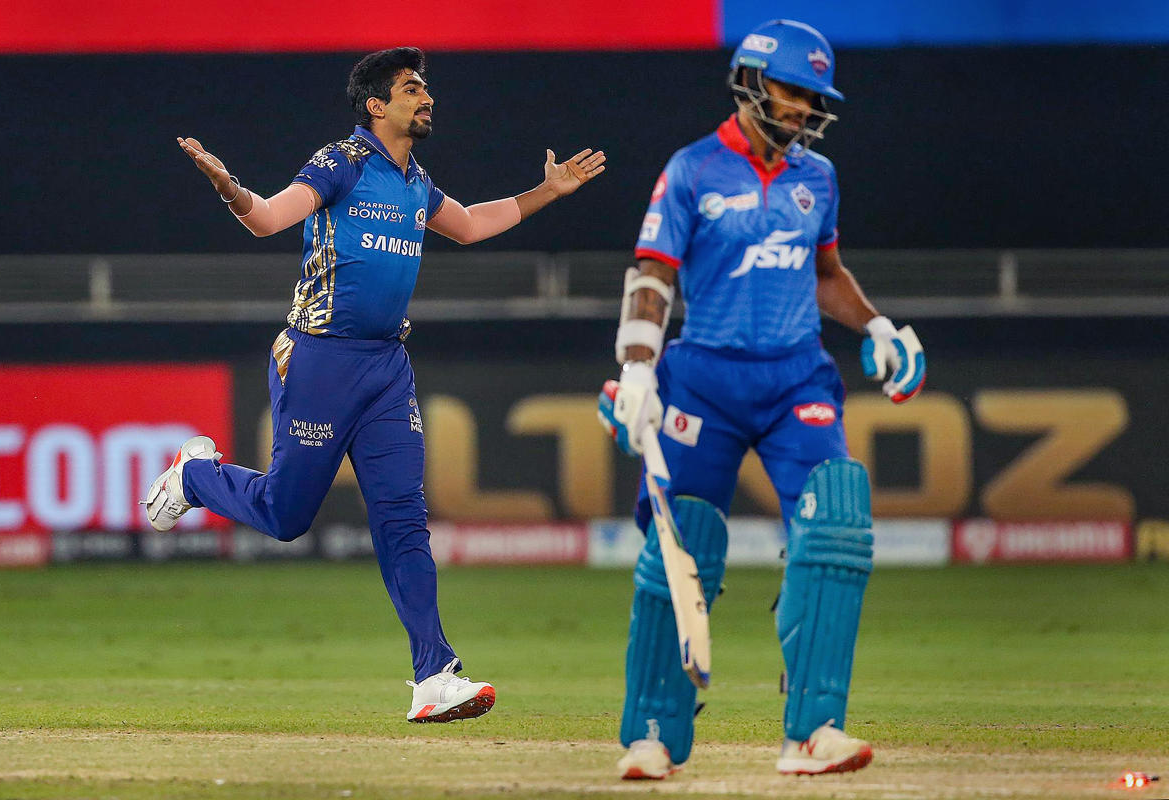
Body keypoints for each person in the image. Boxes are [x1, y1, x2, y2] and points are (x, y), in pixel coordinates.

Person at [143, 46, 606, 723]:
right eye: (413, 88)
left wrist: (548, 192)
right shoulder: (341, 162)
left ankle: (434, 676)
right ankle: (194, 477)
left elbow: (473, 225)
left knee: (402, 518)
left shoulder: (415, 181)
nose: (428, 98)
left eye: (427, 88)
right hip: (319, 359)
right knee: (285, 517)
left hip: (386, 368)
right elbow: (270, 217)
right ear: (376, 105)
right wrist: (228, 186)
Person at [597, 20, 925, 779]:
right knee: (680, 543)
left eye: (814, 98)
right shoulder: (691, 170)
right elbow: (652, 274)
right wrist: (638, 367)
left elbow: (824, 273)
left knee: (836, 517)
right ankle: (653, 730)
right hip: (703, 380)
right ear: (749, 83)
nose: (804, 109)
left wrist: (874, 323)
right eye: (792, 91)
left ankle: (814, 731)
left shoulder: (820, 178)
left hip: (794, 379)